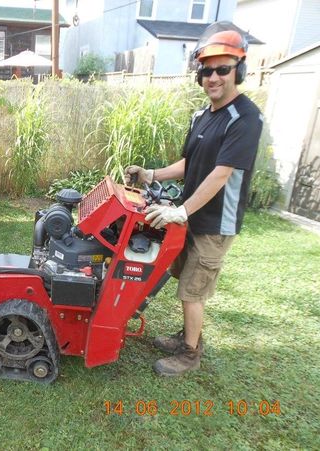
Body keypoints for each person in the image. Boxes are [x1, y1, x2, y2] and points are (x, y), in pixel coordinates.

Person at [124, 22, 263, 376]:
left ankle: (189, 354)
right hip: (189, 216)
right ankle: (189, 336)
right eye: (206, 70)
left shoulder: (245, 119)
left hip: (215, 223)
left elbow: (222, 173)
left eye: (222, 69)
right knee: (182, 275)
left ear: (239, 72)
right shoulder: (202, 116)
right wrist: (152, 174)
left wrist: (181, 211)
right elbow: (191, 164)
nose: (213, 77)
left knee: (192, 291)